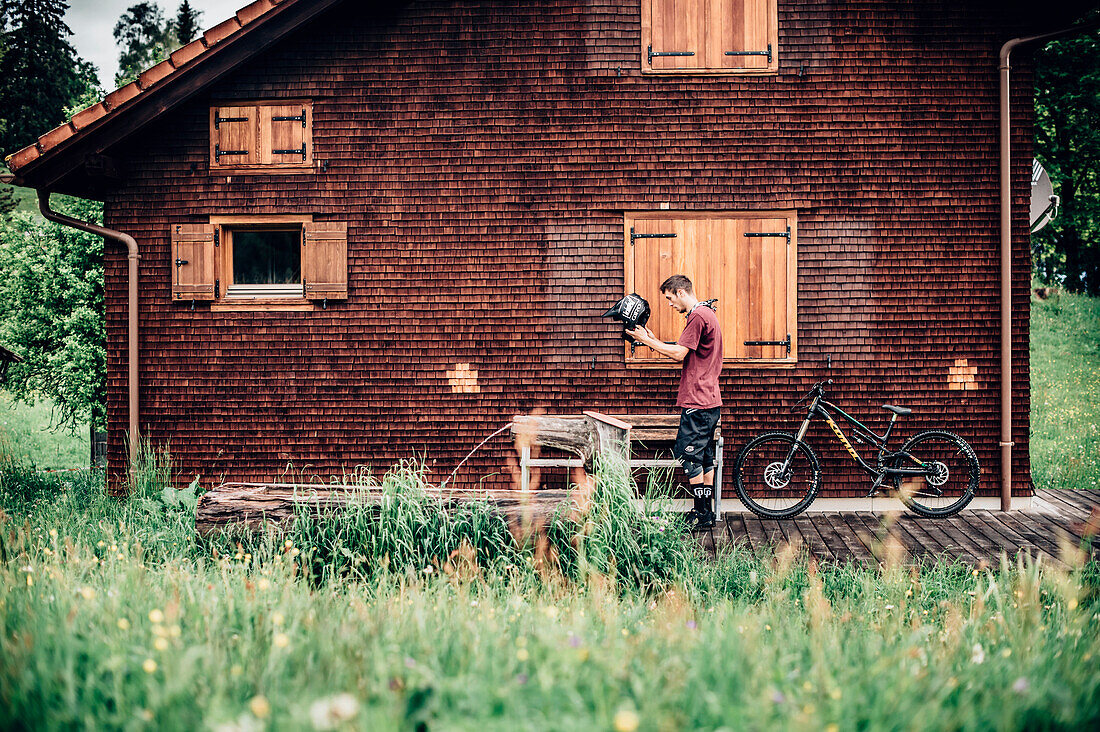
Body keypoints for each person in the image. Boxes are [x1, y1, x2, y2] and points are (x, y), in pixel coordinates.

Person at [627, 274, 722, 530]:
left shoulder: (697, 316)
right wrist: (654, 341)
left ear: (681, 292)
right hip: (709, 401)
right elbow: (682, 351)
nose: (669, 304)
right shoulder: (706, 314)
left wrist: (646, 341)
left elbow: (679, 354)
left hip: (698, 401)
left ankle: (702, 515)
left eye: (669, 298)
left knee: (689, 456)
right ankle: (705, 513)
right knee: (703, 457)